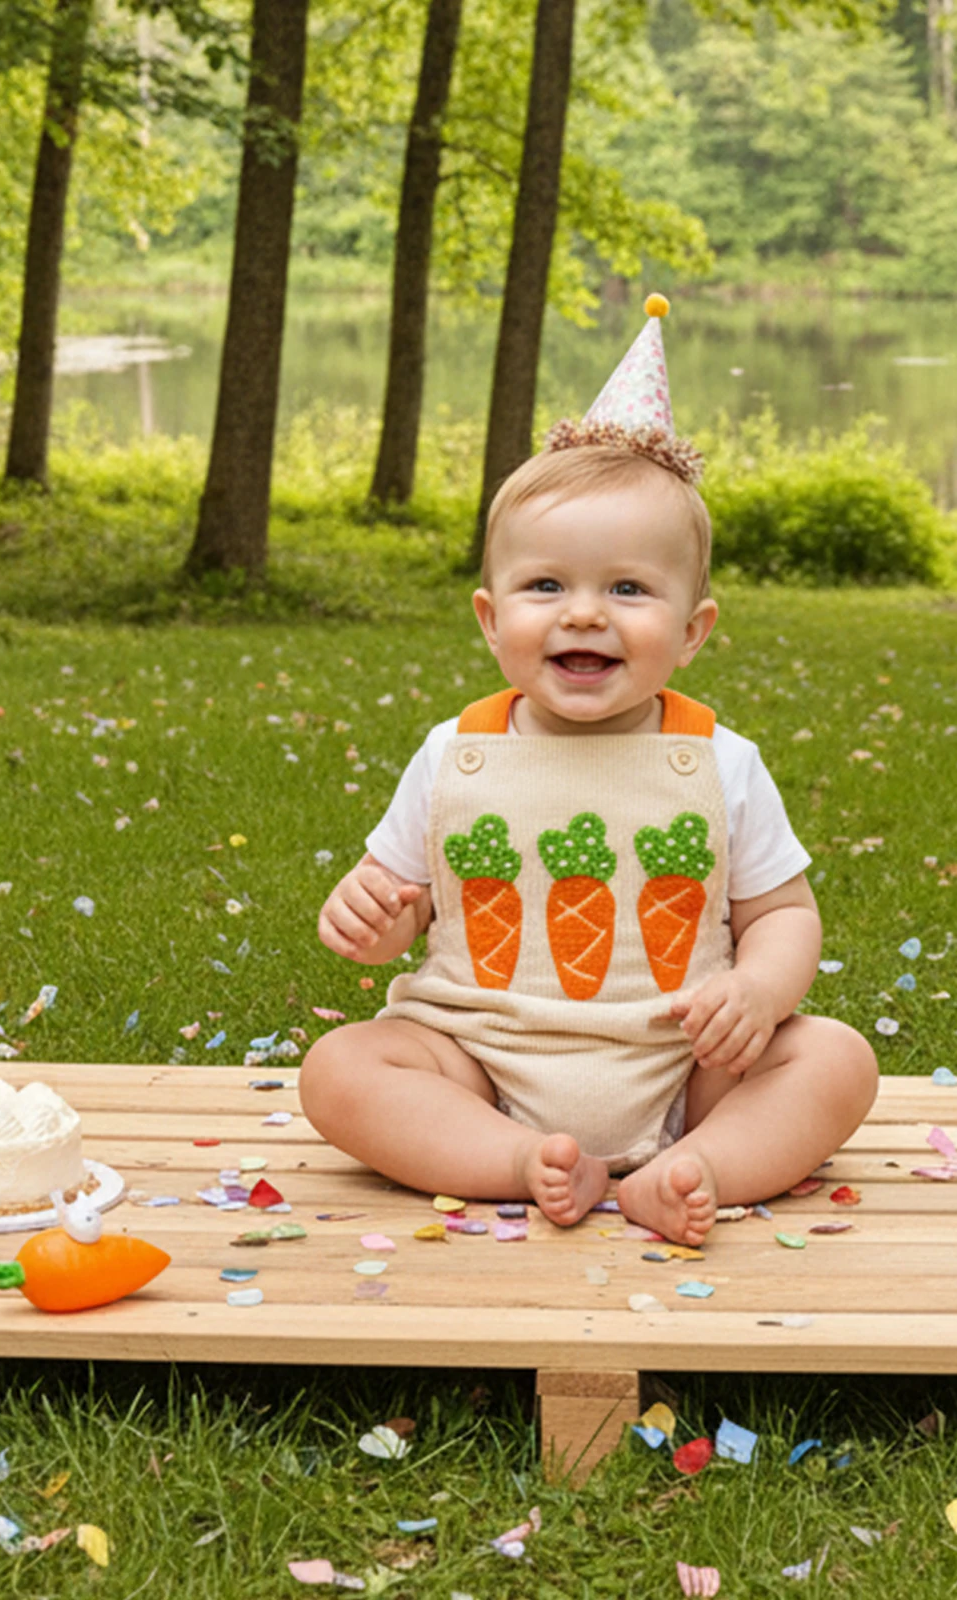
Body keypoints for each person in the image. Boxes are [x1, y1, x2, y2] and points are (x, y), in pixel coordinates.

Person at [299, 298, 878, 1246]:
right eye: (546, 586)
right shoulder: (456, 754)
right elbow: (402, 897)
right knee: (341, 1068)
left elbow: (782, 914)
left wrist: (762, 994)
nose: (582, 615)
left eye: (627, 588)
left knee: (836, 1060)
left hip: (685, 1064)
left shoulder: (720, 763)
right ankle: (515, 1161)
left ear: (692, 633)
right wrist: (372, 915)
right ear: (491, 620)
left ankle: (698, 1167)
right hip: (479, 1057)